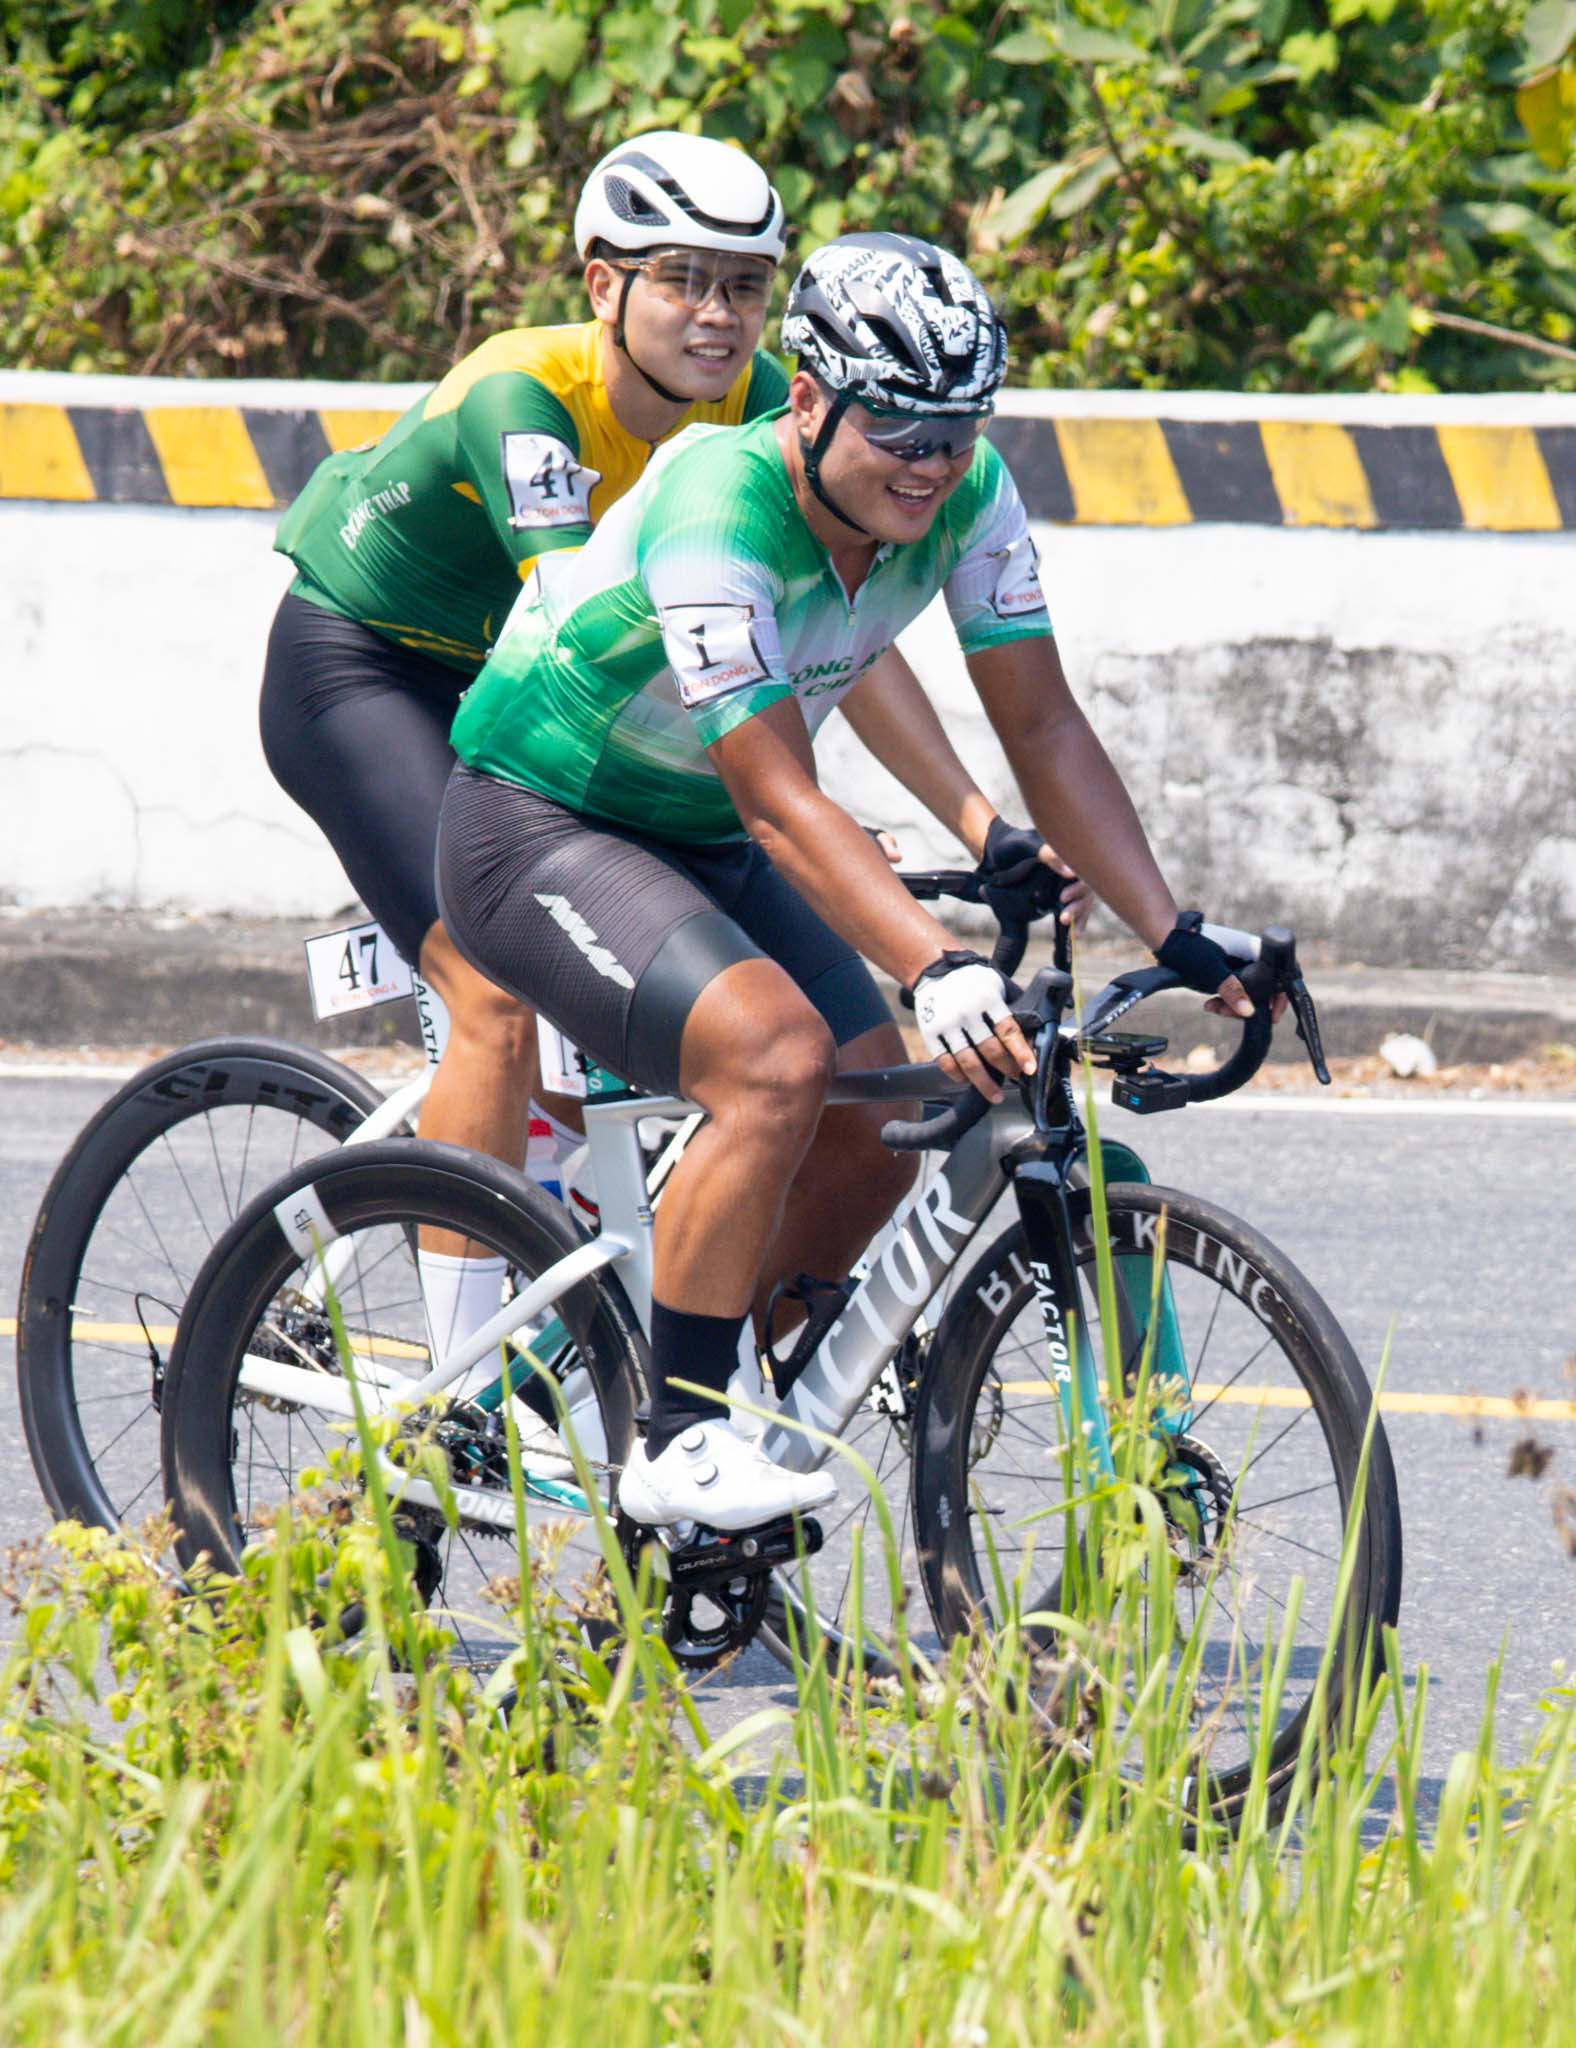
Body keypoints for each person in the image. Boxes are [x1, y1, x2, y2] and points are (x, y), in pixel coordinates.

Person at [437, 231, 1261, 1530]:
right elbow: (776, 798)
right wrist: (934, 963)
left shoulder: (968, 498)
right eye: (900, 429)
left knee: (887, 1119)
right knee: (772, 1060)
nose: (931, 465)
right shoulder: (720, 501)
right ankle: (676, 1442)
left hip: (699, 835)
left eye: (957, 430)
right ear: (809, 400)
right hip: (540, 824)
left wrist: (1181, 934)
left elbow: (1044, 729)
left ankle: (723, 1422)